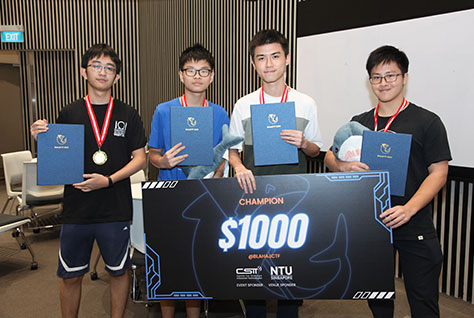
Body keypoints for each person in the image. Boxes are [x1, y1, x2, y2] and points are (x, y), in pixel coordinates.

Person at [324, 45, 451, 318]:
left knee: (423, 301)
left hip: (413, 222)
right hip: (371, 225)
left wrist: (409, 208)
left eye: (391, 75)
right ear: (370, 81)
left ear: (405, 77)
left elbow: (439, 173)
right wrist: (341, 165)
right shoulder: (358, 122)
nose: (383, 83)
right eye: (376, 77)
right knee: (378, 302)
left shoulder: (427, 121)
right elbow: (328, 156)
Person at [30, 44, 147, 317]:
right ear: (83, 72)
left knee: (118, 272)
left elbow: (140, 159)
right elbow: (57, 160)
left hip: (115, 208)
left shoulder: (128, 114)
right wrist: (41, 140)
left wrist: (107, 181)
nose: (102, 72)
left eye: (109, 68)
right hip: (76, 209)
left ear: (117, 77)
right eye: (96, 65)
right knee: (70, 276)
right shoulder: (69, 113)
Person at [228, 29, 323, 317]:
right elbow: (231, 150)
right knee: (254, 270)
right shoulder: (243, 105)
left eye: (275, 56)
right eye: (261, 58)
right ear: (253, 64)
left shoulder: (305, 102)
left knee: (289, 272)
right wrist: (239, 166)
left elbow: (317, 150)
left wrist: (304, 143)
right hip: (253, 198)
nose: (269, 64)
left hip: (294, 198)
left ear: (287, 59)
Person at [148, 43, 229, 317]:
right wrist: (164, 162)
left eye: (203, 70)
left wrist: (216, 175)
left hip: (203, 197)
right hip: (169, 195)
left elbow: (223, 157)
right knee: (167, 263)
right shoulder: (163, 110)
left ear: (212, 76)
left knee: (196, 263)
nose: (197, 76)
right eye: (191, 70)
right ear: (181, 75)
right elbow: (153, 155)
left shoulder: (219, 113)